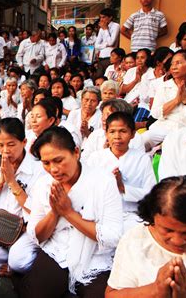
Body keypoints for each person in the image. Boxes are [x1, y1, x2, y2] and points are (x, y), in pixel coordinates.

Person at [17, 126, 123, 298]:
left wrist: (68, 213)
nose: (54, 169)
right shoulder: (44, 185)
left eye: (59, 160)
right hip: (58, 251)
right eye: (46, 163)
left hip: (94, 256)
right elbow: (36, 235)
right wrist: (54, 212)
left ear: (75, 152)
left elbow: (113, 236)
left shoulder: (103, 181)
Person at [105, 176, 186, 297]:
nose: (177, 241)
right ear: (152, 218)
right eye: (167, 230)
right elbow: (112, 295)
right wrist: (155, 290)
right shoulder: (135, 240)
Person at [0, 118, 45, 274]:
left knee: (19, 263)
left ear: (24, 142)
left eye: (11, 144)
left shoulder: (38, 169)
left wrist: (11, 181)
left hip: (24, 229)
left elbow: (35, 210)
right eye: (0, 145)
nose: (5, 150)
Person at [86, 112, 156, 231]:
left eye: (123, 131)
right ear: (106, 134)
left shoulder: (142, 159)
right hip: (100, 214)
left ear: (133, 134)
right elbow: (87, 190)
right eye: (112, 132)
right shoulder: (96, 158)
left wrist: (122, 188)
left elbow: (152, 194)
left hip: (131, 216)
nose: (117, 136)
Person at [142, 50, 186, 150]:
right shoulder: (164, 86)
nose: (173, 67)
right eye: (172, 64)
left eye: (178, 63)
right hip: (165, 127)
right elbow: (155, 113)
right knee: (144, 139)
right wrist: (176, 100)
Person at [95, 8, 121, 77]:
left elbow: (111, 42)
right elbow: (96, 45)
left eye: (103, 17)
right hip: (101, 58)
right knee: (99, 78)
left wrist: (106, 29)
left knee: (108, 78)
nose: (101, 19)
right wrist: (106, 45)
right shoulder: (101, 29)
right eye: (100, 17)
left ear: (110, 17)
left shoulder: (116, 26)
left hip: (110, 57)